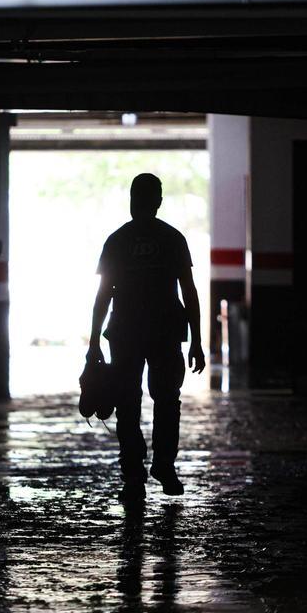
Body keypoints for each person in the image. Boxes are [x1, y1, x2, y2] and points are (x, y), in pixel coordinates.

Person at [87, 173, 206, 502]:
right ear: (159, 201)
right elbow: (189, 293)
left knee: (129, 402)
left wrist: (95, 340)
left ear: (137, 200)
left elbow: (102, 296)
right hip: (165, 332)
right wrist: (196, 339)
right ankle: (162, 467)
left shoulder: (118, 240)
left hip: (125, 332)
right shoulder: (173, 239)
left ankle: (134, 474)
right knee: (166, 401)